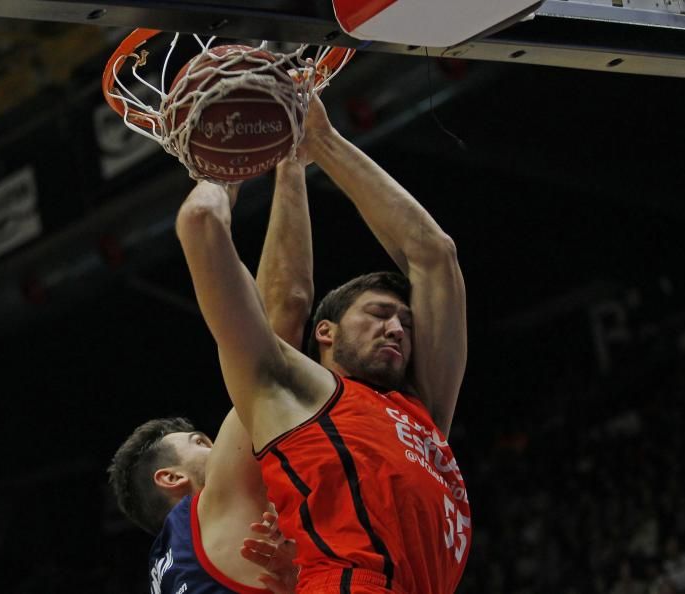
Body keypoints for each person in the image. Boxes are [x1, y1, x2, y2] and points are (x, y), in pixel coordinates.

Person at [176, 94, 469, 593]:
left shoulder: (422, 412)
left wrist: (323, 142)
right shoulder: (288, 396)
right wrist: (226, 157)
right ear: (325, 333)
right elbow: (201, 224)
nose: (397, 328)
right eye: (378, 314)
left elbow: (434, 253)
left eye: (405, 321)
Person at [108, 158, 314, 594]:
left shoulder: (167, 570)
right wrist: (289, 162)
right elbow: (283, 316)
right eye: (202, 442)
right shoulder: (209, 508)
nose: (220, 446)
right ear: (171, 478)